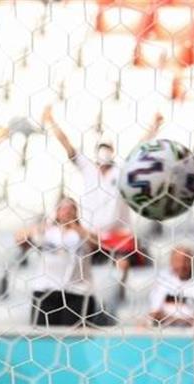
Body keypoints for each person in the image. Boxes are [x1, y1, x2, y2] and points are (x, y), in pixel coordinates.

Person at [43, 105, 163, 276]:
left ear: (113, 151)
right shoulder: (88, 168)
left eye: (108, 147)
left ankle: (118, 292)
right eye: (102, 147)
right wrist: (50, 121)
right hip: (91, 237)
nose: (104, 151)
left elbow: (140, 148)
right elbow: (67, 146)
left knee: (122, 261)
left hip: (118, 237)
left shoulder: (121, 171)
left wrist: (155, 126)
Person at [16, 197, 101, 327]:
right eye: (63, 208)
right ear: (56, 211)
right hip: (46, 292)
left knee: (74, 340)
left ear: (77, 212)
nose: (67, 211)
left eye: (71, 208)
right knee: (43, 339)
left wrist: (75, 227)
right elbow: (20, 239)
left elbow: (97, 244)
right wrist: (41, 227)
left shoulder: (83, 234)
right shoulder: (47, 232)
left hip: (77, 292)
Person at [147, 243, 194, 327]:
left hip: (193, 329)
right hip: (166, 328)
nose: (181, 265)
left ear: (193, 261)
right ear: (171, 262)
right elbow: (155, 313)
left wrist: (174, 319)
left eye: (186, 260)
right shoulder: (163, 278)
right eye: (177, 260)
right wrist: (180, 320)